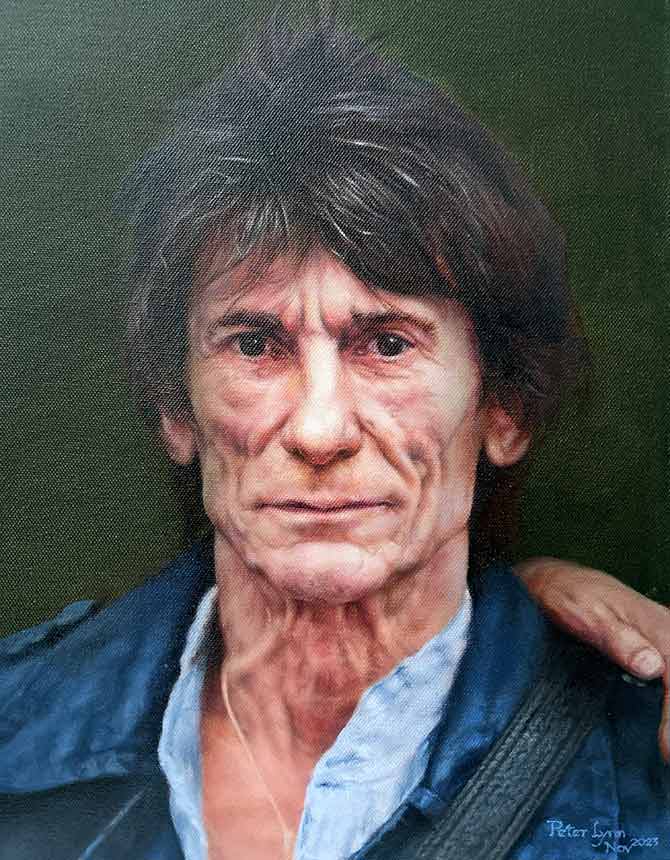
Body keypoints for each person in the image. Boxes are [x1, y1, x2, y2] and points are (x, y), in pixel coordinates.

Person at [0, 14, 668, 860]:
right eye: (254, 344)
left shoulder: (643, 776)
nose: (320, 431)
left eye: (387, 344)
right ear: (176, 407)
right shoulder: (16, 729)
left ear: (505, 407)